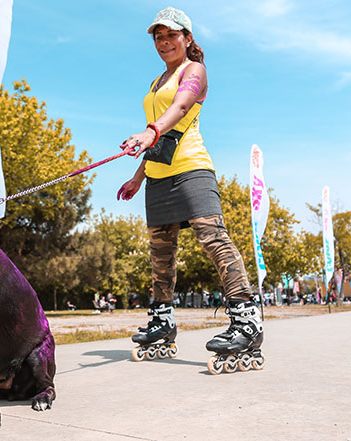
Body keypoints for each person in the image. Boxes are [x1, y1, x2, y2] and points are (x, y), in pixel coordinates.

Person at [117, 7, 262, 355]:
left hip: (192, 169)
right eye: (158, 36)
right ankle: (163, 321)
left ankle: (246, 319)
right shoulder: (156, 83)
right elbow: (160, 137)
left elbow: (180, 110)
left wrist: (149, 131)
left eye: (171, 35)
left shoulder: (194, 71)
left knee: (213, 240)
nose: (165, 42)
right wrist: (139, 176)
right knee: (160, 256)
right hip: (158, 176)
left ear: (187, 38)